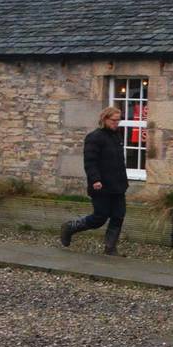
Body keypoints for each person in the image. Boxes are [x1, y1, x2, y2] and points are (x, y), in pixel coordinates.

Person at [60, 106, 130, 255]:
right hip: (101, 185)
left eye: (119, 120)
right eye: (114, 120)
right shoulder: (94, 137)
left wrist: (124, 181)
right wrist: (95, 179)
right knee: (100, 217)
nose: (116, 123)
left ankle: (110, 248)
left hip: (118, 185)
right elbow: (90, 162)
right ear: (104, 119)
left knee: (119, 215)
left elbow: (119, 161)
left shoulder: (117, 135)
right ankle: (70, 227)